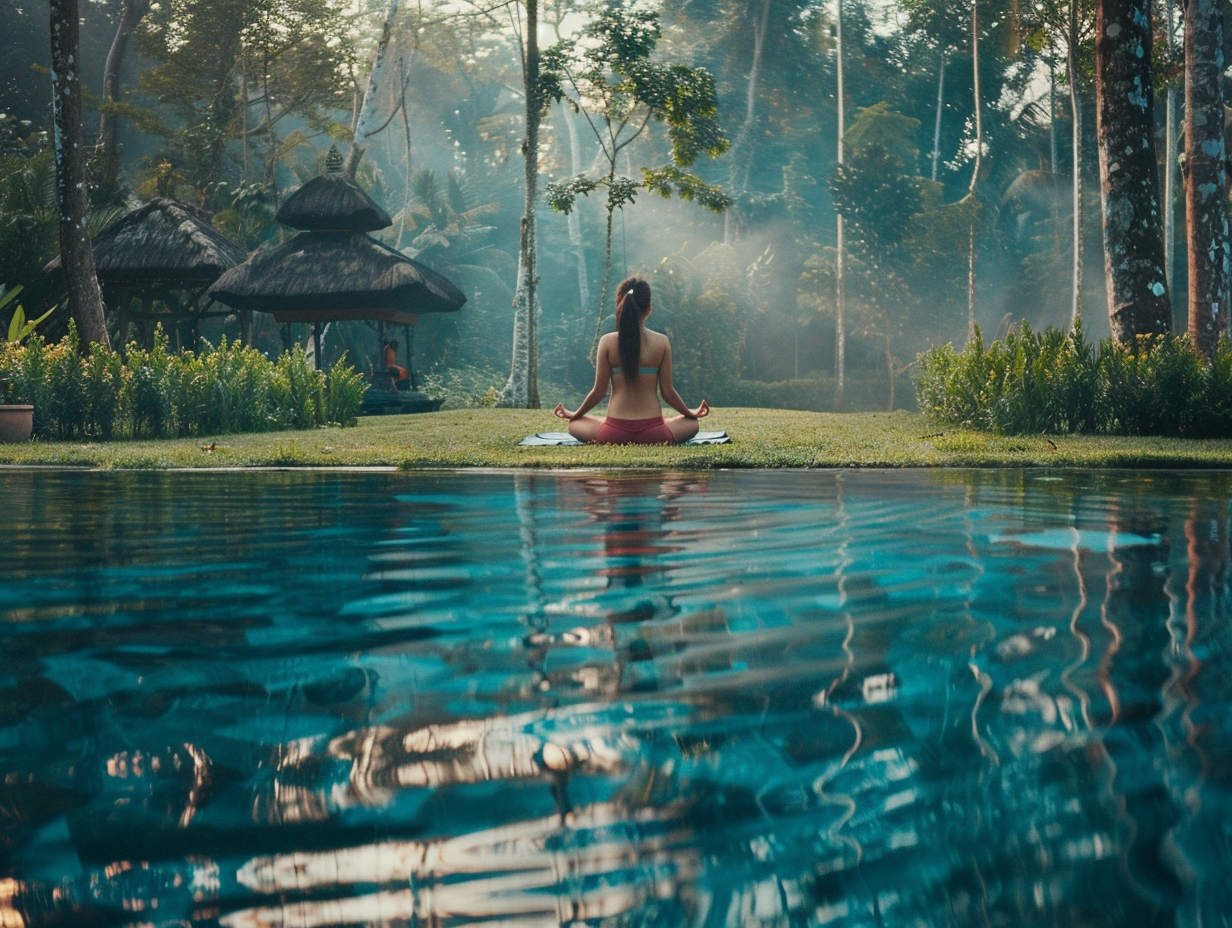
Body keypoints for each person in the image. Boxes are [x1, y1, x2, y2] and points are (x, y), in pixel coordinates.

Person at [554, 276, 709, 444]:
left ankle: (600, 424)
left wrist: (575, 414)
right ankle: (668, 423)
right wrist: (690, 413)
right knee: (691, 424)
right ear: (648, 308)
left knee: (575, 424)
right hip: (655, 434)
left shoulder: (607, 341)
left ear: (621, 306)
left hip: (613, 434)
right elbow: (667, 392)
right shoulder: (662, 342)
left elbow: (599, 392)